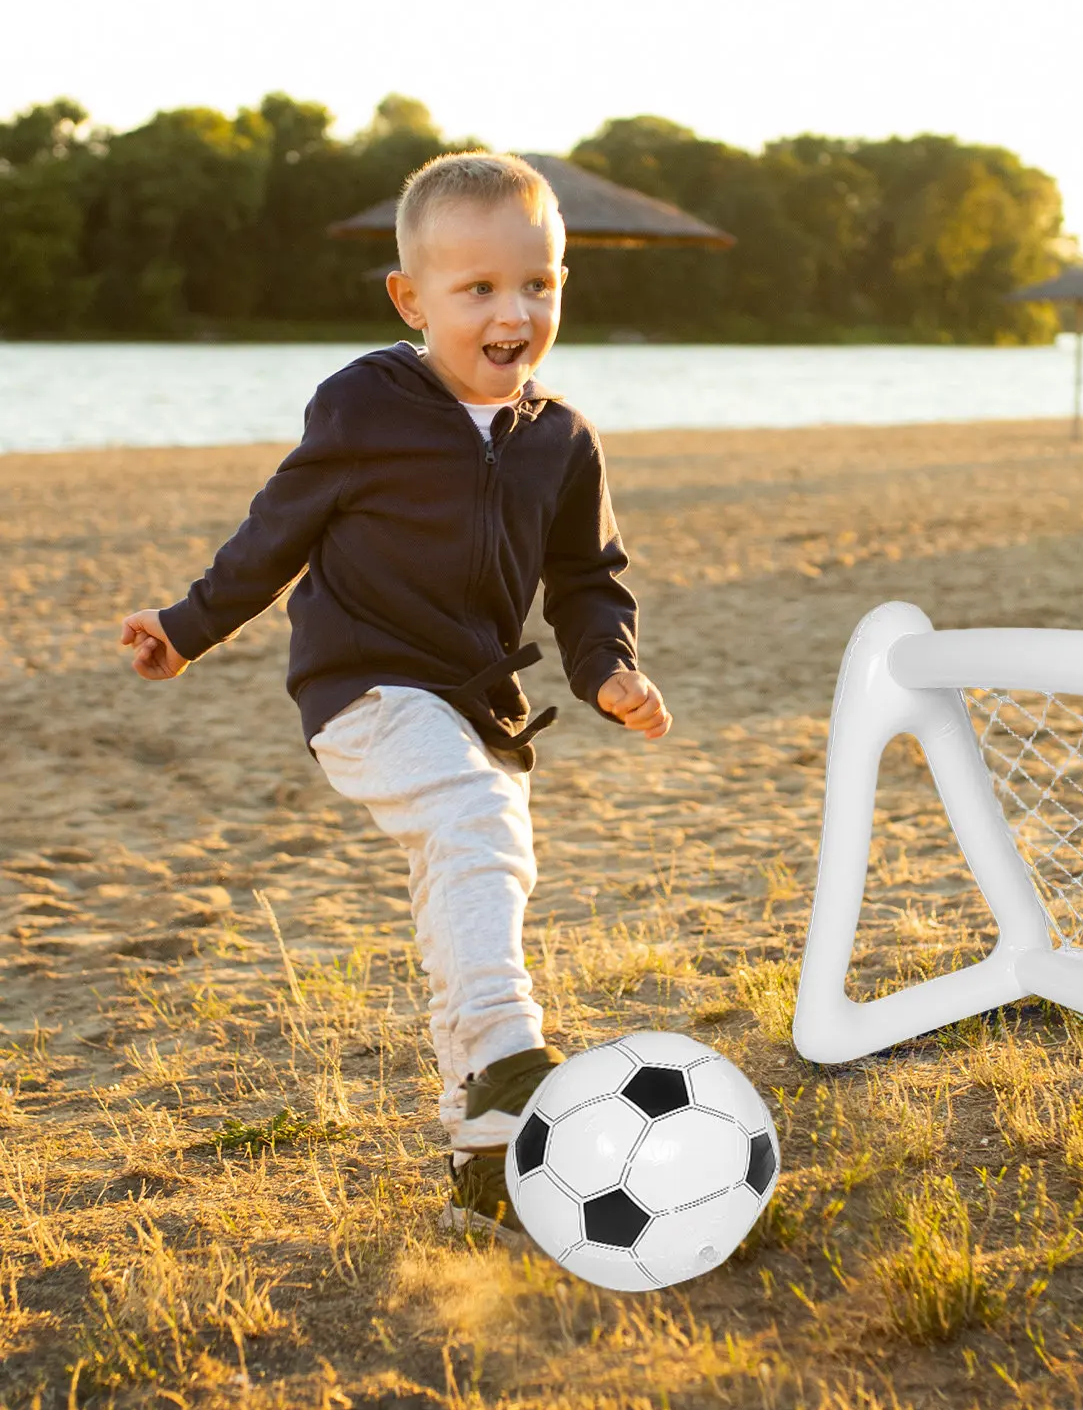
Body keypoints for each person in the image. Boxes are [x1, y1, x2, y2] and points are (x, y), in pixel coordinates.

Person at [119, 151, 671, 1243]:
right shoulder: (364, 402)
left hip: (479, 708)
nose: (514, 312)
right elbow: (276, 530)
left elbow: (585, 580)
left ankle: (480, 1143)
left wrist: (604, 664)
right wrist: (186, 629)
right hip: (363, 688)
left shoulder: (561, 439)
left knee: (472, 870)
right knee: (471, 823)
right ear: (412, 300)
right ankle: (514, 1057)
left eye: (539, 283)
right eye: (478, 290)